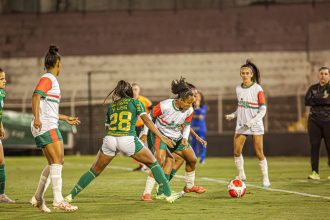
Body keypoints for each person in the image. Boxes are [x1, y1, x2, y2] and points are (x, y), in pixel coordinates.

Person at [64, 80, 183, 205]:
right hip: (127, 138)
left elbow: (107, 127)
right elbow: (147, 121)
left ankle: (70, 196)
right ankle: (168, 194)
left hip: (110, 139)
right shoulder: (136, 102)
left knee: (93, 171)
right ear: (130, 91)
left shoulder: (112, 106)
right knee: (154, 163)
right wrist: (161, 136)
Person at [30, 45, 81, 212]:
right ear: (57, 63)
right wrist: (37, 118)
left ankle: (38, 197)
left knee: (55, 162)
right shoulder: (48, 78)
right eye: (61, 63)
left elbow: (47, 106)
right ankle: (58, 200)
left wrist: (66, 118)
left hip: (47, 122)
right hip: (45, 124)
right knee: (58, 161)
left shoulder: (51, 80)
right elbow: (36, 95)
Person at [141, 78, 206, 201]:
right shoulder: (164, 106)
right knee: (161, 161)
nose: (190, 106)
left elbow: (186, 125)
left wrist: (185, 138)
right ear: (180, 100)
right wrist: (145, 133)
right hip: (159, 135)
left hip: (176, 137)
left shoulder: (189, 109)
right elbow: (148, 118)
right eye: (188, 103)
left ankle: (189, 186)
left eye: (192, 103)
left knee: (192, 159)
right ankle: (146, 193)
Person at [225, 60, 270, 187]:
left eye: (247, 73)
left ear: (252, 74)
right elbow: (241, 107)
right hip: (241, 125)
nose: (244, 75)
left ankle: (265, 178)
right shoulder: (238, 88)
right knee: (236, 152)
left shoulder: (257, 88)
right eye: (242, 73)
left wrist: (252, 121)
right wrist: (233, 115)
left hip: (255, 124)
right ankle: (241, 174)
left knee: (259, 152)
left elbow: (263, 109)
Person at [304, 66, 330, 180]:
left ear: (329, 75)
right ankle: (315, 172)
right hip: (314, 121)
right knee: (314, 146)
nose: (323, 75)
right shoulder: (313, 88)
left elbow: (326, 101)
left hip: (329, 121)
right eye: (321, 73)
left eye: (325, 73)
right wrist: (323, 99)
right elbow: (307, 101)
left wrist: (317, 99)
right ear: (318, 75)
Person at [0, 68, 15, 203]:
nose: (5, 81)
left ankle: (1, 195)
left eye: (4, 78)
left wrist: (1, 125)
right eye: (1, 79)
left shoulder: (1, 93)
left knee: (1, 161)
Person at [132, 83, 152, 171]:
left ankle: (147, 164)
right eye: (132, 89)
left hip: (143, 127)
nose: (134, 91)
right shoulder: (128, 101)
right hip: (132, 127)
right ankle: (142, 165)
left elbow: (152, 110)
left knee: (142, 146)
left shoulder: (144, 100)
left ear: (139, 90)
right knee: (133, 147)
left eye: (136, 89)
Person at [191, 91, 207, 164]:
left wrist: (197, 107)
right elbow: (191, 114)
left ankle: (202, 158)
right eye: (196, 96)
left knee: (202, 142)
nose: (197, 98)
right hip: (193, 126)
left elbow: (202, 113)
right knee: (193, 143)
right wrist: (196, 115)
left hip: (201, 127)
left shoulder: (203, 106)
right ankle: (194, 158)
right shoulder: (191, 106)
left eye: (198, 96)